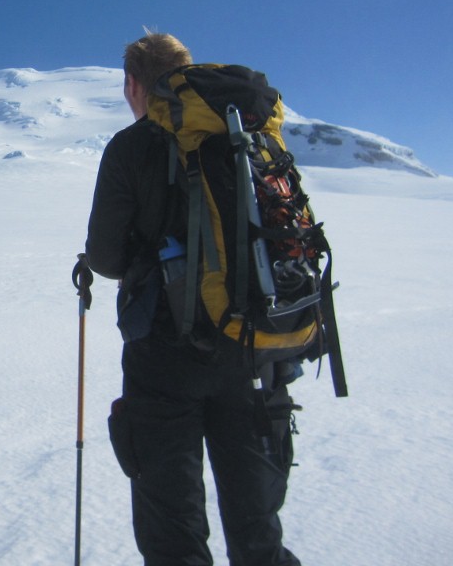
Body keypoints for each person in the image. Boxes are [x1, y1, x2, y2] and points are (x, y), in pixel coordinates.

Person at [84, 33, 301, 566]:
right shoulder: (246, 134)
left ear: (133, 84)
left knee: (172, 532)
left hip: (164, 355)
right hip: (252, 347)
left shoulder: (132, 146)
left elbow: (106, 257)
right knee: (258, 531)